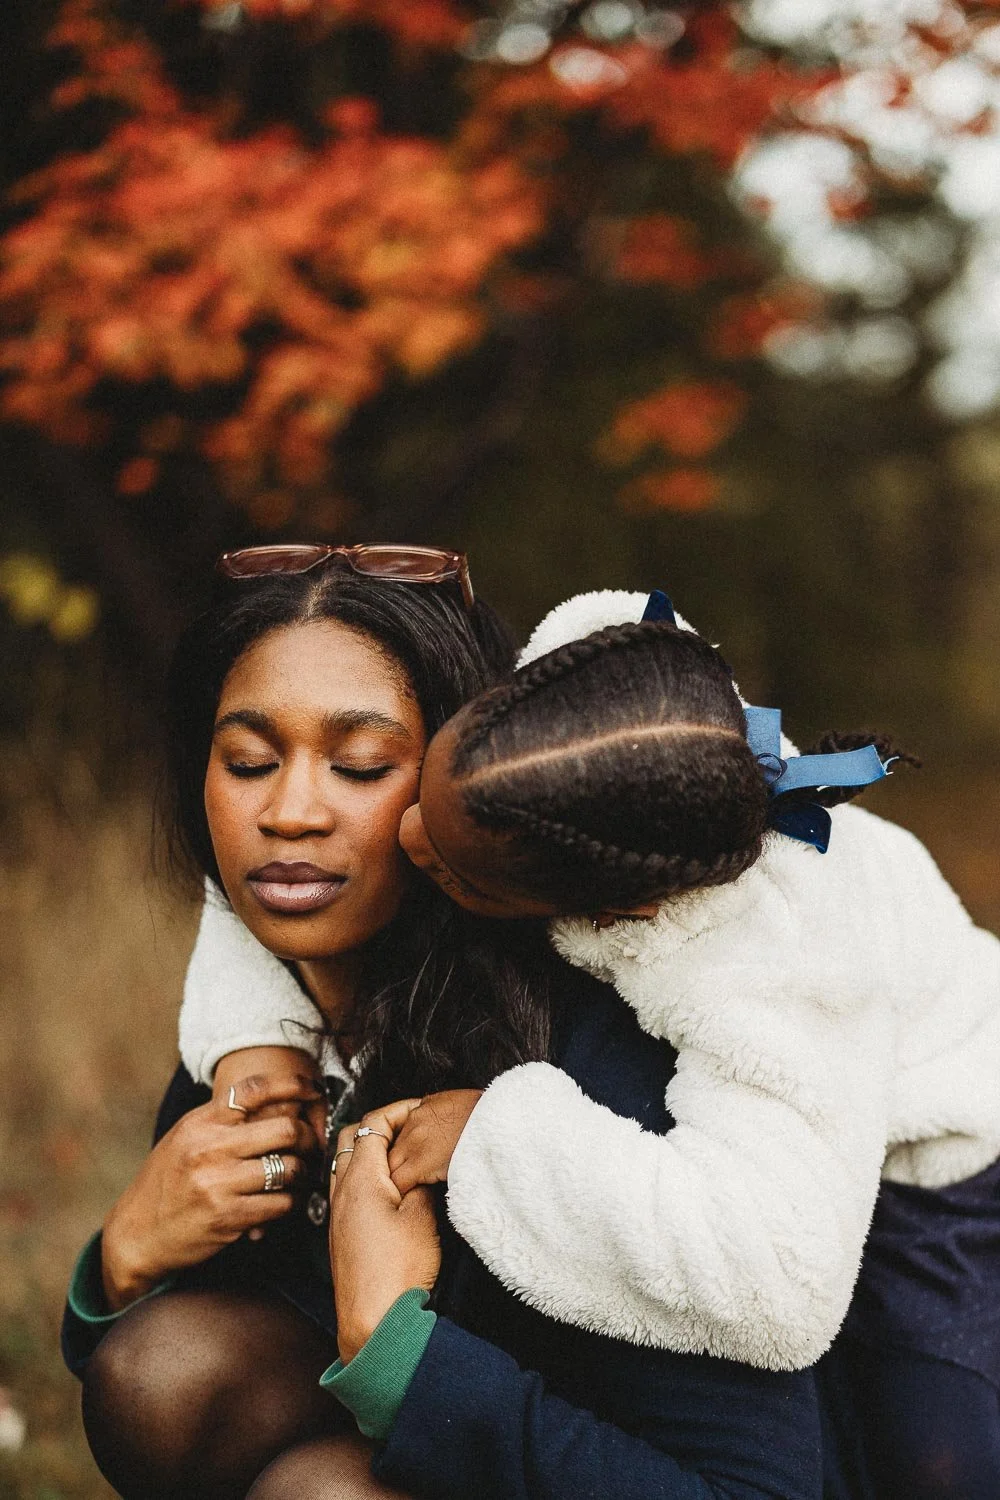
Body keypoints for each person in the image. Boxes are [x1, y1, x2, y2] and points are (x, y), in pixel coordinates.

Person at [184, 584, 1000, 1498]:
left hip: (946, 1153)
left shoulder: (760, 981)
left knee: (945, 1458)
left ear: (608, 911)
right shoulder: (602, 678)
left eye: (460, 877)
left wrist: (498, 1141)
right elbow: (255, 884)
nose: (411, 838)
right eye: (251, 763)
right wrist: (251, 1034)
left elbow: (783, 1281)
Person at [61, 552, 823, 1500]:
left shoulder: (602, 1053)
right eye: (249, 761)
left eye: (361, 766)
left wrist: (402, 1356)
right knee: (160, 1372)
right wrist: (123, 1263)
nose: (289, 812)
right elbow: (170, 1370)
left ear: (467, 792)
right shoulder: (254, 1024)